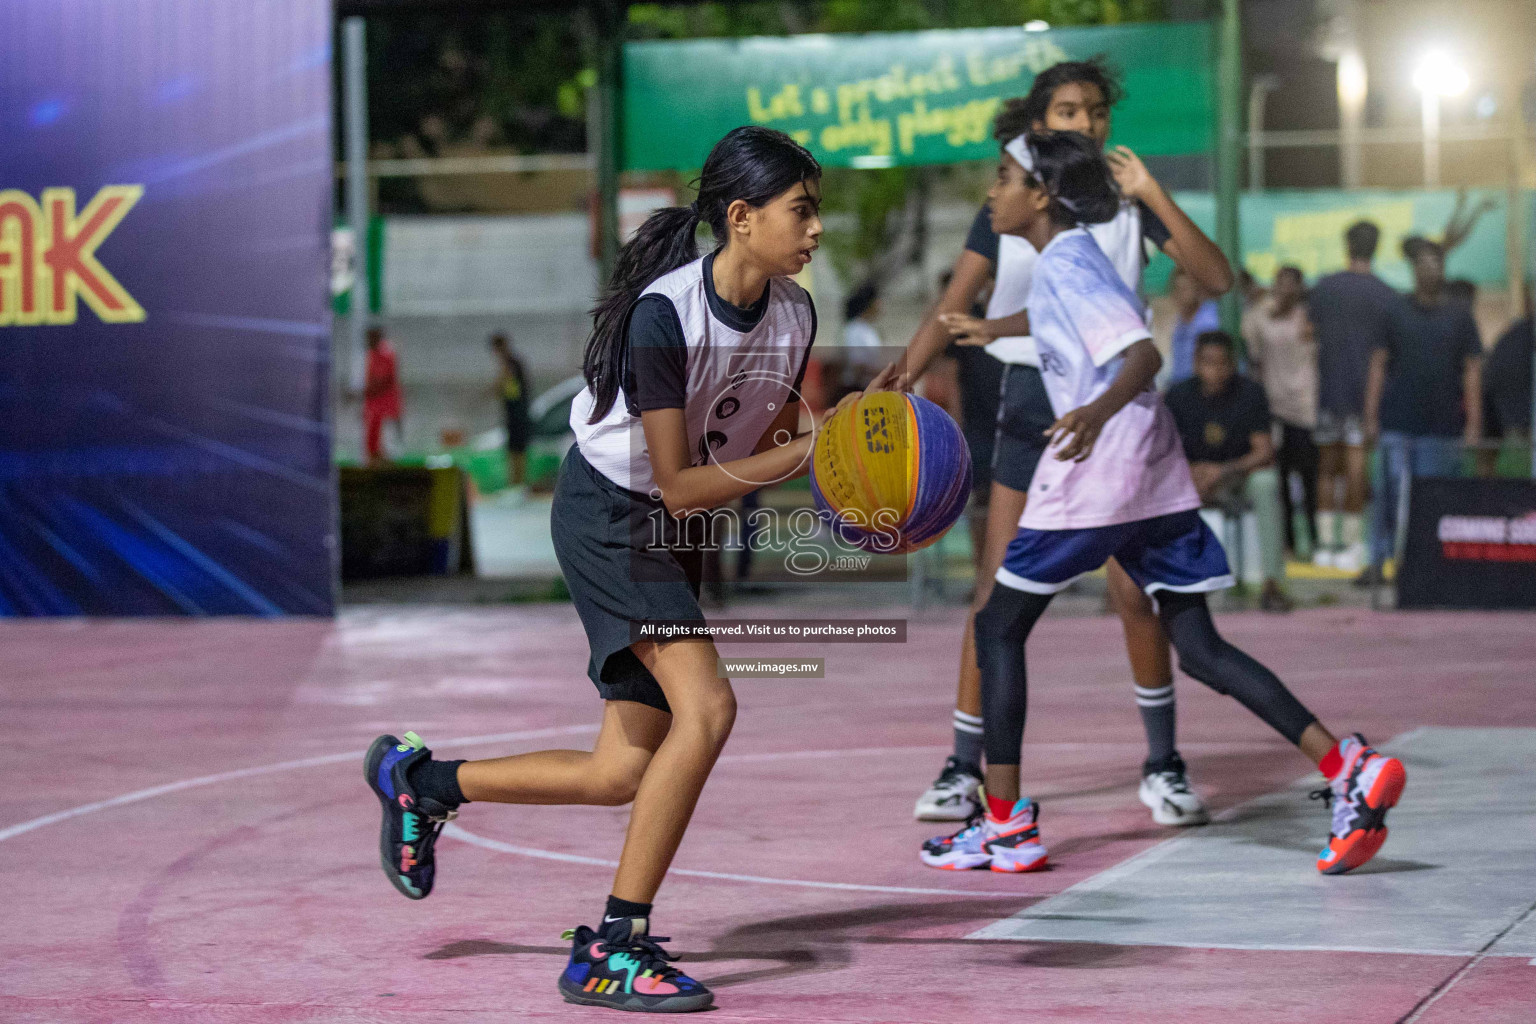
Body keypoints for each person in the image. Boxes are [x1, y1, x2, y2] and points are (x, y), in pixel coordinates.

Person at [364, 127, 836, 1014]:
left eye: (816, 214)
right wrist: (809, 452)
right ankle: (614, 945)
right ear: (741, 218)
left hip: (668, 527)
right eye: (800, 212)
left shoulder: (795, 315)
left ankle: (418, 782)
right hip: (611, 513)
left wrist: (848, 456)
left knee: (622, 771)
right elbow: (681, 480)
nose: (815, 232)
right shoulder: (666, 315)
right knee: (712, 707)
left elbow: (755, 441)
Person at [919, 128, 1405, 878]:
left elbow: (1140, 352)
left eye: (1004, 177)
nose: (993, 191)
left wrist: (1093, 412)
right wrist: (993, 328)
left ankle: (1007, 825)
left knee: (997, 626)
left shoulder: (1067, 265)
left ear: (1042, 194)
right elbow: (1071, 320)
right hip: (1154, 473)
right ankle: (1349, 767)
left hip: (1098, 474)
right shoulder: (1070, 258)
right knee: (1201, 649)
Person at [897, 58, 1234, 829]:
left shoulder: (1126, 201)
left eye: (1098, 111)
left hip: (1111, 410)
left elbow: (1217, 279)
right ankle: (962, 765)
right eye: (1074, 110)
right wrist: (901, 377)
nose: (1091, 123)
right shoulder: (1010, 199)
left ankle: (1164, 763)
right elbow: (955, 304)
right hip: (1029, 401)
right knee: (996, 592)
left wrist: (1155, 194)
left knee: (1134, 594)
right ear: (1042, 123)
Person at [1361, 236, 1482, 586]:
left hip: (1442, 426)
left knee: (1431, 496)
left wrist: (1474, 422)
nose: (1430, 270)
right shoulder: (1394, 311)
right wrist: (1370, 416)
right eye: (1424, 264)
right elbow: (1378, 365)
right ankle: (1378, 560)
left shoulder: (1460, 316)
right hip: (1396, 420)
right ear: (1414, 270)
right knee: (1387, 491)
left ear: (1443, 270)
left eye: (1436, 263)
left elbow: (1472, 370)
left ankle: (1423, 565)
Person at [1165, 332, 1292, 612]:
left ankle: (1272, 583)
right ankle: (1171, 583)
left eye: (1223, 363)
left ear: (1233, 363)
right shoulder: (1178, 396)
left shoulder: (1250, 393)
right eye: (1209, 363)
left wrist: (1221, 471)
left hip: (1237, 476)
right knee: (1160, 486)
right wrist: (1191, 474)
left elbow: (1264, 451)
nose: (1217, 371)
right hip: (1191, 479)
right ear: (1197, 363)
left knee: (1266, 483)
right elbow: (1163, 451)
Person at [1308, 221, 1396, 571]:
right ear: (1376, 247)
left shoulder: (1325, 287)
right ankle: (1353, 545)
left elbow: (1309, 333)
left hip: (1328, 389)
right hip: (1366, 395)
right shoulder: (1387, 295)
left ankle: (1326, 544)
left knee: (1327, 468)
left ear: (1347, 246)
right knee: (1357, 468)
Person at [1244, 265, 1318, 558]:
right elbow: (1251, 348)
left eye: (1292, 284)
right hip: (1275, 407)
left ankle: (1312, 540)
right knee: (1282, 478)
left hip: (1307, 406)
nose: (1285, 289)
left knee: (1309, 477)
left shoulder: (1309, 316)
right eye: (1280, 283)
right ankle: (1286, 541)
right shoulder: (1260, 316)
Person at [1166, 265, 1221, 385]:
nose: (1181, 295)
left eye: (1186, 289)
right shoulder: (1179, 322)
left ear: (1197, 290)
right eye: (1177, 289)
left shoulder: (1210, 321)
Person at [490, 332, 531, 490]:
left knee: (517, 450)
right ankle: (515, 485)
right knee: (514, 449)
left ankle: (517, 485)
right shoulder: (511, 363)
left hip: (517, 413)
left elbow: (503, 385)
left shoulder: (511, 364)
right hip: (514, 412)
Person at [363, 325, 403, 466]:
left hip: (386, 403)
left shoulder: (387, 353)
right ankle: (374, 459)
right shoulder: (371, 354)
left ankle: (385, 460)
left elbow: (386, 379)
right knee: (372, 436)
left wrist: (365, 391)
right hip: (374, 404)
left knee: (386, 434)